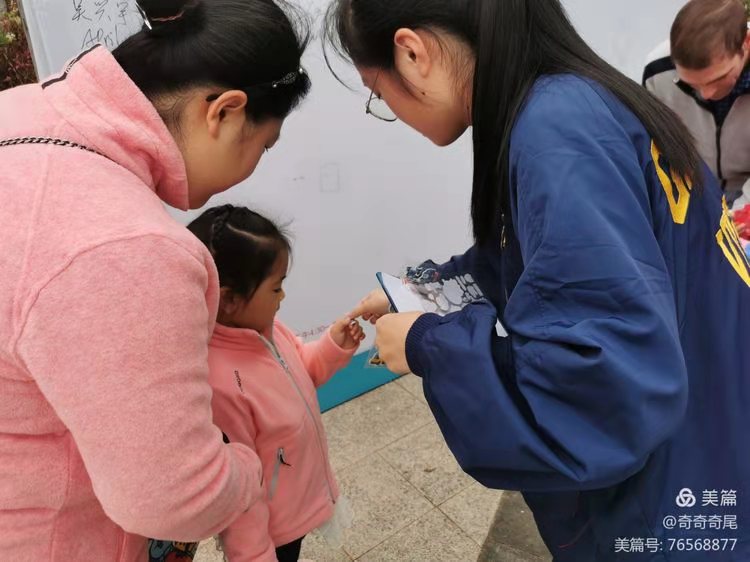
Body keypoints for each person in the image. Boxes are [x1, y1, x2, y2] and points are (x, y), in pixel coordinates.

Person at [326, 0, 750, 560]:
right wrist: (427, 292)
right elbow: (537, 257)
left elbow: (603, 396)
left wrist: (427, 345)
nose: (389, 110)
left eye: (378, 95)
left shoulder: (556, 133)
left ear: (411, 53)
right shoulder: (578, 97)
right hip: (714, 422)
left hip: (668, 497)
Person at [0, 0, 310, 560]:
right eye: (263, 146)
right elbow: (176, 497)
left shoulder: (20, 112)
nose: (253, 167)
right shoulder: (128, 250)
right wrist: (243, 466)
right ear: (225, 112)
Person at [163, 205, 362, 562]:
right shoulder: (220, 386)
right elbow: (239, 493)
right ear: (229, 300)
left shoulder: (266, 330)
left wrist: (333, 347)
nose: (282, 297)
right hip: (270, 533)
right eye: (276, 287)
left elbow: (301, 372)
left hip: (298, 502)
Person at [643, 0, 750, 207]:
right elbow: (657, 151)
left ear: (745, 42)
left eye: (718, 78)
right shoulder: (657, 71)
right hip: (690, 193)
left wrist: (738, 217)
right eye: (691, 84)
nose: (706, 94)